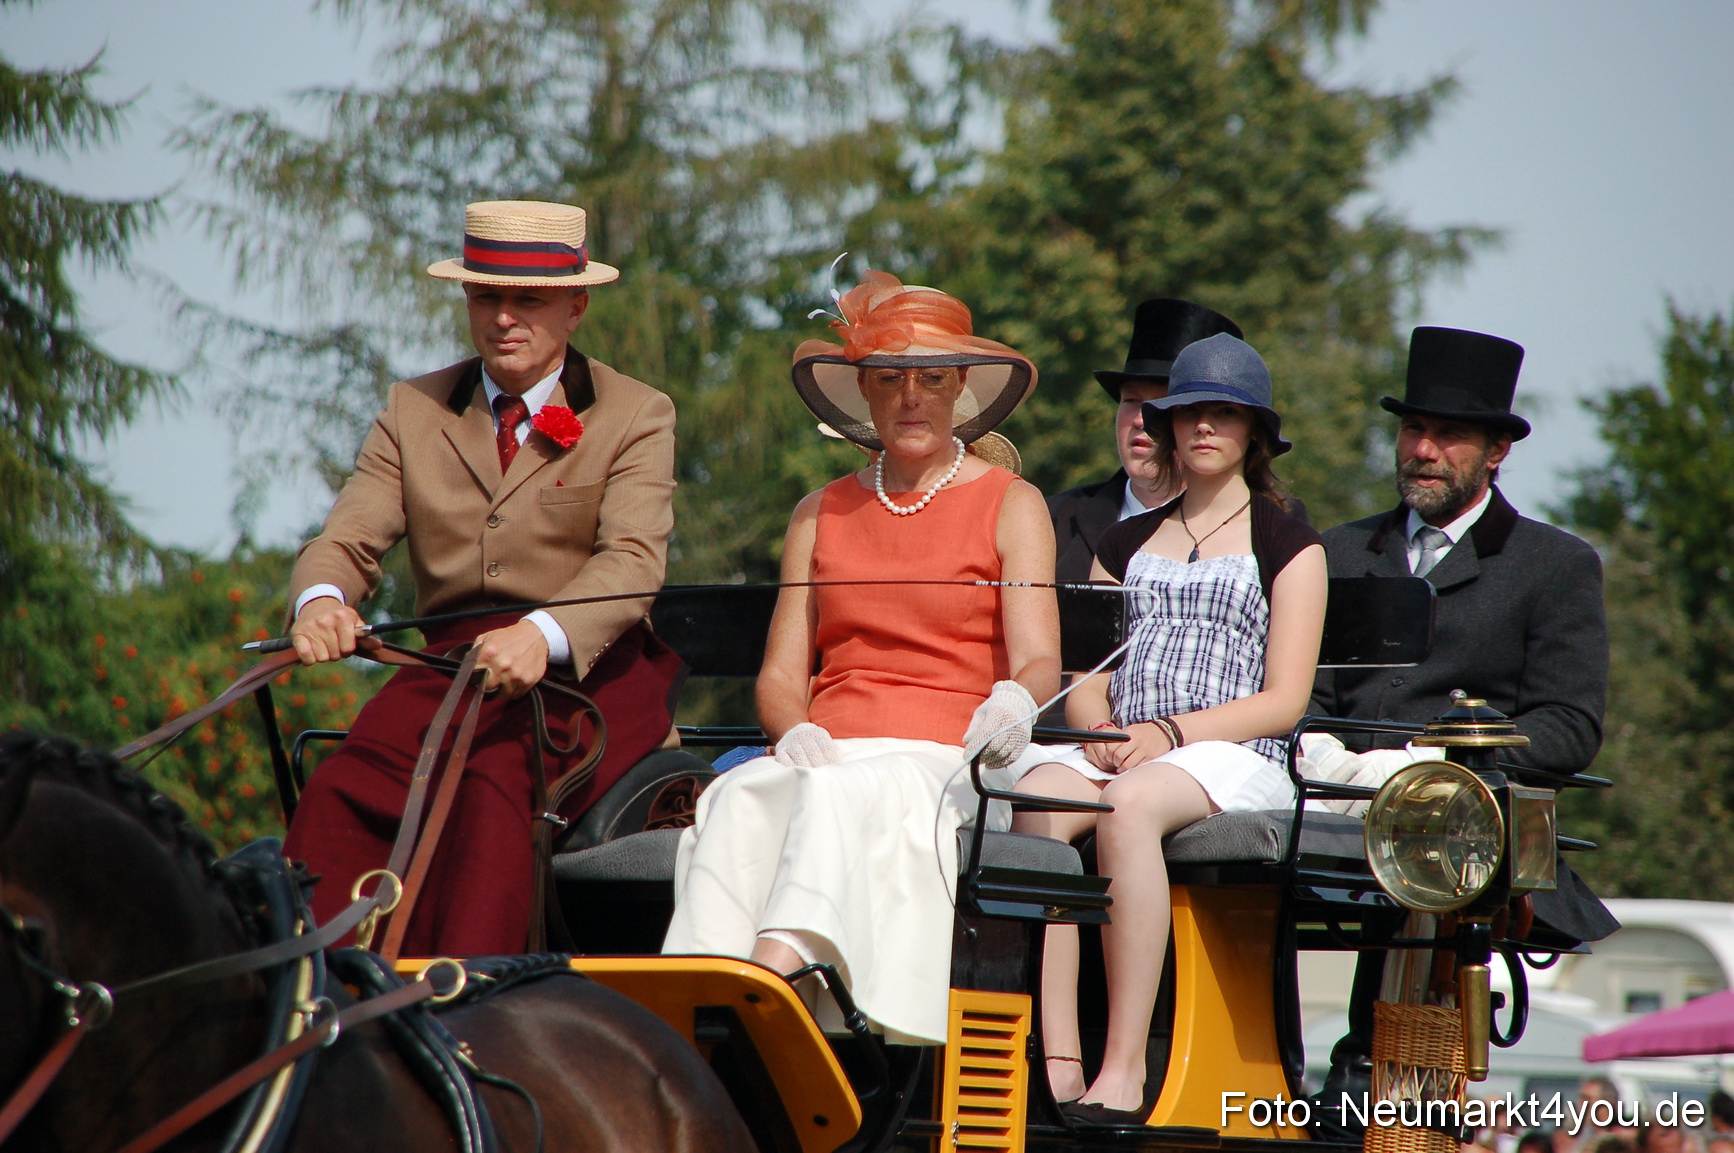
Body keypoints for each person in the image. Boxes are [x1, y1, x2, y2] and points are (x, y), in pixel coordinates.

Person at [662, 270, 1059, 1045]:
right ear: (865, 393)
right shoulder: (818, 511)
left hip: (951, 756)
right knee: (737, 796)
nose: (911, 395)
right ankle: (697, 997)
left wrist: (1013, 706)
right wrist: (794, 730)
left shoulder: (1013, 502)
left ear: (960, 389)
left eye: (930, 377)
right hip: (832, 749)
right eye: (889, 377)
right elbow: (781, 675)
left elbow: (1040, 656)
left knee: (848, 793)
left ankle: (772, 978)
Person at [283, 199, 682, 956]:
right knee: (340, 785)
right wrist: (323, 601)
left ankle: (469, 1000)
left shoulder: (637, 414)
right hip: (448, 670)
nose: (504, 317)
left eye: (527, 299)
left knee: (491, 785)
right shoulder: (413, 408)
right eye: (486, 296)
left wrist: (541, 632)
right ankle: (316, 1003)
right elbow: (346, 538)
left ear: (576, 307)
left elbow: (632, 562)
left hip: (585, 670)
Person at [1307, 325, 1617, 1138]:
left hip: (1456, 825)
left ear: (1494, 452)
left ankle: (1384, 1077)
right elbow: (1303, 697)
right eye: (1413, 430)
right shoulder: (1339, 553)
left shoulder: (1552, 564)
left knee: (1430, 838)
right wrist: (1321, 749)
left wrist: (1441, 756)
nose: (1424, 449)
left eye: (1448, 435)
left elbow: (1569, 725)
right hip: (1331, 792)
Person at [1011, 333, 1326, 1124]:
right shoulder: (1121, 542)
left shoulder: (1287, 542)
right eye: (1189, 413)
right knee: (1035, 793)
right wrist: (1100, 730)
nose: (1203, 428)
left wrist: (1170, 734)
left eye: (1224, 413)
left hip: (1230, 752)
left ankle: (1125, 1064)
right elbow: (1085, 675)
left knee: (1133, 805)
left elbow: (1285, 699)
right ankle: (1056, 1055)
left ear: (1255, 431)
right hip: (1126, 743)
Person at [1047, 298, 1244, 584]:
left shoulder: (1269, 529)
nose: (1141, 420)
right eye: (1131, 401)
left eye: (1162, 404)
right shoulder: (1055, 520)